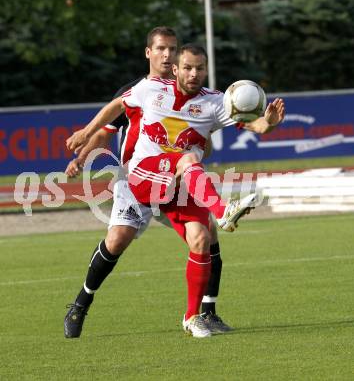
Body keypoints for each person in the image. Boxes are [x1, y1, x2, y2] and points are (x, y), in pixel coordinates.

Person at [66, 43, 285, 338]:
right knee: (118, 239)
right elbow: (116, 105)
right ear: (176, 69)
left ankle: (194, 316)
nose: (194, 73)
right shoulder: (151, 89)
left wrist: (268, 124)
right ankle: (81, 303)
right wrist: (86, 132)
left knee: (202, 238)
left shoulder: (216, 102)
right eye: (188, 67)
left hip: (181, 182)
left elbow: (254, 125)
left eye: (200, 68)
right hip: (141, 176)